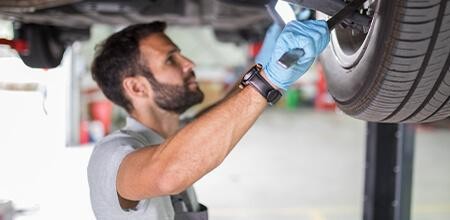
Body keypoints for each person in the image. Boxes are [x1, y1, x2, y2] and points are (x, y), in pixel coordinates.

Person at [87, 20, 329, 220]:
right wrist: (269, 81)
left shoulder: (173, 137)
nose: (189, 63)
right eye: (171, 59)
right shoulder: (111, 156)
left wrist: (264, 64)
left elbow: (220, 114)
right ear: (137, 87)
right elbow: (167, 172)